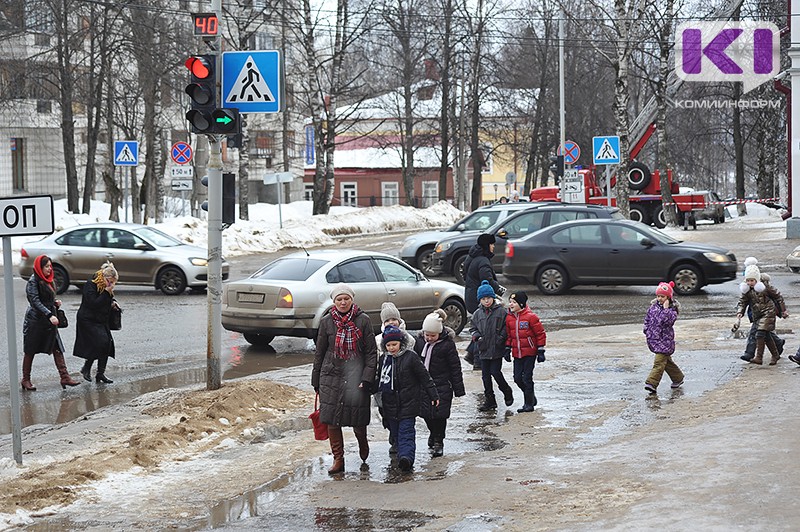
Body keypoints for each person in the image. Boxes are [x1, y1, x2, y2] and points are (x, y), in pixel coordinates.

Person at [312, 283, 378, 474]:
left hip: (355, 374)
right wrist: (316, 379)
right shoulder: (326, 322)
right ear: (334, 302)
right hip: (330, 375)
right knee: (332, 420)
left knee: (357, 418)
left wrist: (367, 377)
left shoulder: (363, 320)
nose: (343, 302)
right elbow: (320, 352)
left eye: (346, 299)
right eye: (339, 299)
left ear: (352, 300)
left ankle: (362, 442)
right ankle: (338, 459)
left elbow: (371, 352)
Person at [377, 325, 439, 472]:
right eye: (388, 345)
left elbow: (424, 376)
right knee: (396, 432)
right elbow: (378, 380)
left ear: (401, 343)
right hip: (390, 403)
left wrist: (433, 394)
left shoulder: (410, 357)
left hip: (409, 402)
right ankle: (401, 453)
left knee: (407, 432)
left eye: (394, 344)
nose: (392, 348)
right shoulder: (384, 359)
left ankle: (407, 458)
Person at [21, 255, 80, 391]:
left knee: (57, 348)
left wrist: (54, 303)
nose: (49, 269)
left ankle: (65, 377)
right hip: (35, 321)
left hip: (48, 321)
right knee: (30, 350)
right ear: (40, 268)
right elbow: (35, 301)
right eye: (46, 266)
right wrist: (49, 314)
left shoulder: (48, 279)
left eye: (50, 266)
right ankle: (25, 379)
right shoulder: (33, 281)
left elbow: (46, 298)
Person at [414, 309, 465, 457]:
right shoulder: (419, 342)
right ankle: (432, 432)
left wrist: (458, 388)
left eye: (432, 335)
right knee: (426, 414)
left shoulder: (447, 345)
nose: (429, 338)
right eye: (426, 335)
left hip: (442, 384)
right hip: (424, 385)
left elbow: (455, 367)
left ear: (439, 333)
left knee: (440, 415)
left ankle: (438, 441)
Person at [374, 302, 416, 455]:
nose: (391, 322)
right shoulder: (378, 340)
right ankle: (393, 435)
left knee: (404, 416)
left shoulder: (409, 339)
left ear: (399, 320)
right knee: (387, 414)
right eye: (387, 320)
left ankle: (401, 444)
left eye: (394, 319)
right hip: (385, 386)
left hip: (404, 386)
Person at [469, 280, 513, 411]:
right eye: (483, 299)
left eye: (488, 298)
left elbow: (507, 326)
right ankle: (490, 400)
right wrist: (477, 336)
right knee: (485, 376)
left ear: (493, 298)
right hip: (483, 348)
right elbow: (473, 327)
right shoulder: (477, 314)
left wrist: (501, 338)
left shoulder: (501, 312)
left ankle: (506, 390)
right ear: (480, 300)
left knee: (496, 372)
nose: (486, 301)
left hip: (496, 348)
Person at [74, 261, 121, 384]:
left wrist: (113, 302)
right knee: (100, 343)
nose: (111, 284)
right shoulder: (91, 284)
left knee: (107, 344)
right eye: (110, 281)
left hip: (100, 319)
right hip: (87, 319)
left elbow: (107, 298)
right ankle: (87, 368)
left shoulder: (106, 286)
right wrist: (107, 292)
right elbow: (93, 303)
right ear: (103, 277)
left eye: (113, 282)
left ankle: (100, 374)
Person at [737, 264, 786, 365]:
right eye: (748, 280)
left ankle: (759, 357)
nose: (750, 283)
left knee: (759, 334)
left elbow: (778, 297)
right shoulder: (747, 290)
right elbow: (742, 302)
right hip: (757, 315)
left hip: (768, 313)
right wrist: (740, 312)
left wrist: (783, 311)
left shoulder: (765, 287)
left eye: (752, 280)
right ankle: (775, 354)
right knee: (766, 335)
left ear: (757, 280)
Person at [505, 291, 546, 412]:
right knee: (517, 378)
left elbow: (540, 334)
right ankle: (531, 396)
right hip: (517, 353)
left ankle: (528, 404)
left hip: (529, 353)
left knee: (527, 378)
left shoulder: (531, 317)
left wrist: (540, 350)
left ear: (521, 304)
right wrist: (507, 348)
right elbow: (509, 335)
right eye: (510, 302)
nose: (511, 304)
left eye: (514, 302)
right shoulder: (509, 318)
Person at [643, 281, 684, 393]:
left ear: (668, 297)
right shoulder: (653, 307)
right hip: (653, 339)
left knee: (659, 363)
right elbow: (647, 319)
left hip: (665, 341)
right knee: (667, 362)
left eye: (662, 296)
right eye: (658, 296)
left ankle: (652, 383)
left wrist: (666, 310)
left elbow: (668, 322)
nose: (660, 298)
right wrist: (646, 330)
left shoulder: (672, 310)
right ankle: (678, 378)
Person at [463, 233, 504, 315]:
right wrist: (499, 290)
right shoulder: (483, 261)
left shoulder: (471, 256)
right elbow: (487, 280)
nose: (493, 246)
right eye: (491, 244)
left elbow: (464, 274)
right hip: (480, 299)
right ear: (486, 245)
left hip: (470, 296)